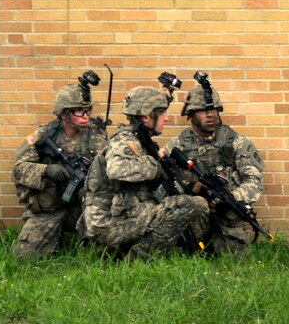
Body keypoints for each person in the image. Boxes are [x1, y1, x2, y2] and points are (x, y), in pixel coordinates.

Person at [80, 85, 208, 260]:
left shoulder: (142, 141)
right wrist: (154, 164)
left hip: (127, 215)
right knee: (183, 205)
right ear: (147, 117)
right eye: (162, 113)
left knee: (198, 203)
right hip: (108, 223)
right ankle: (134, 260)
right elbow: (117, 170)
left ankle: (187, 254)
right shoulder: (125, 141)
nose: (167, 118)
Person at [167, 74, 264, 255]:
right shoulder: (177, 145)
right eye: (203, 110)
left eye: (214, 110)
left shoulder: (235, 142)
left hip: (226, 214)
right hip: (193, 216)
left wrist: (230, 199)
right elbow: (166, 182)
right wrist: (192, 190)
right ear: (191, 114)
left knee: (234, 260)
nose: (210, 114)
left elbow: (254, 180)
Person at [11, 79, 108, 259]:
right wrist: (46, 170)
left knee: (103, 254)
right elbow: (19, 168)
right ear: (64, 114)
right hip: (50, 208)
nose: (86, 116)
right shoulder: (44, 134)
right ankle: (55, 237)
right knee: (24, 256)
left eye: (88, 111)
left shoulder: (97, 135)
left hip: (84, 207)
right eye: (79, 111)